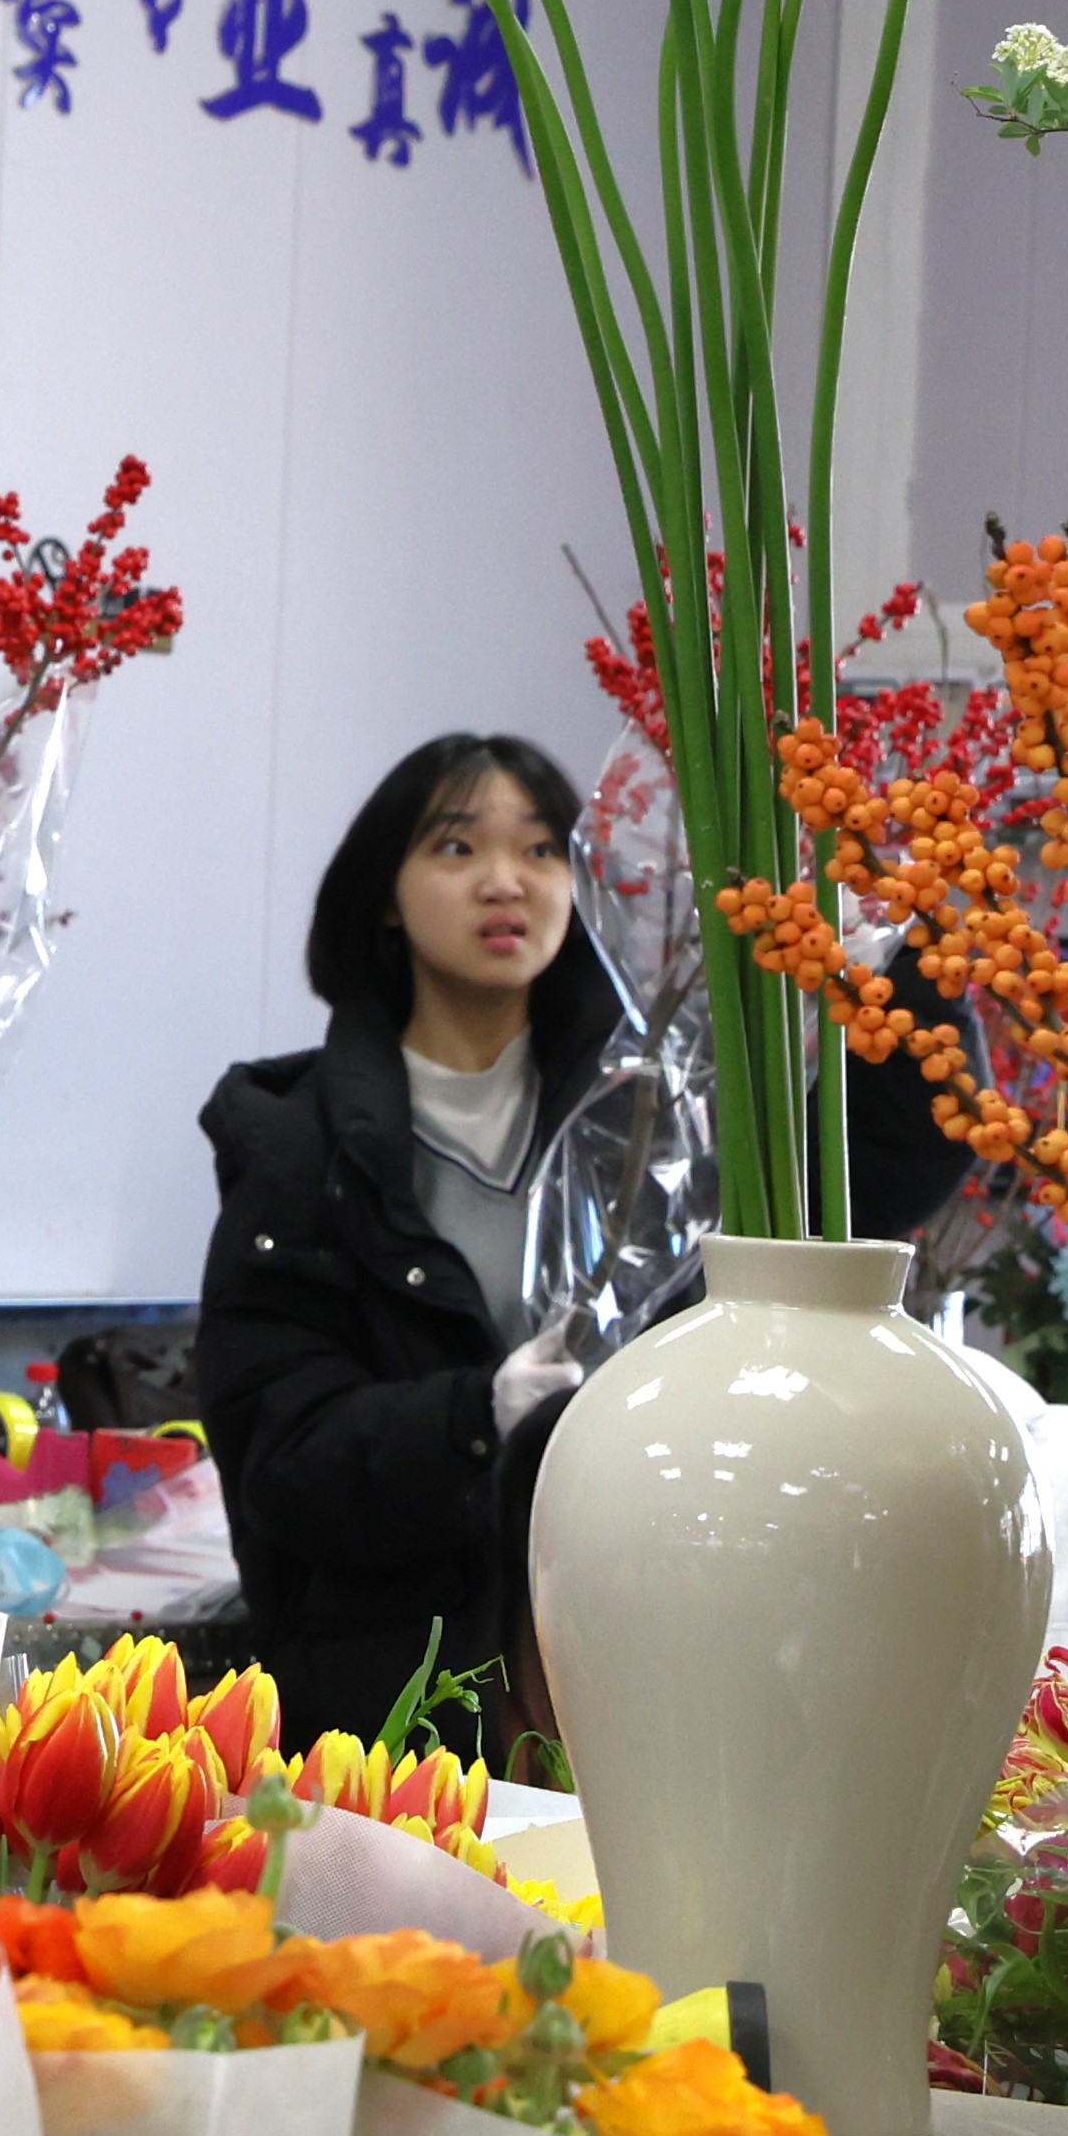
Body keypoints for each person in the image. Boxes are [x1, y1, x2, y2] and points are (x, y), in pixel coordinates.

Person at [194, 731, 625, 1743]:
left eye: (542, 849)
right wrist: (479, 1415)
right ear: (385, 894)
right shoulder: (300, 1148)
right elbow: (281, 1458)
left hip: (629, 1678)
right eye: (458, 847)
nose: (506, 882)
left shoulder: (638, 1125)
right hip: (401, 1711)